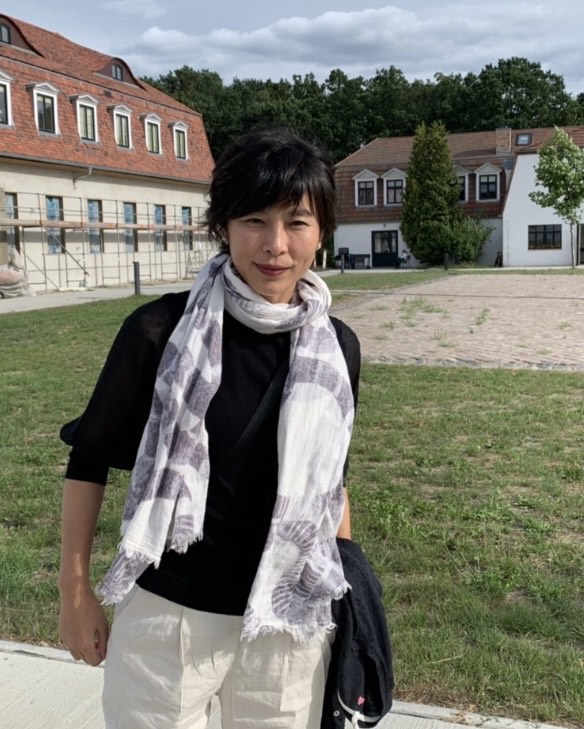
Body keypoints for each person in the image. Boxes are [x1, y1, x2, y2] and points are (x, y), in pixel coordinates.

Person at [58, 124, 361, 729]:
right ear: (222, 226)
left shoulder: (338, 348)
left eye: (297, 222)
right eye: (254, 220)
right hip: (170, 622)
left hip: (287, 627)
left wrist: (345, 590)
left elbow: (331, 483)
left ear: (322, 231)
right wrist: (75, 594)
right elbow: (88, 460)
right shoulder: (159, 331)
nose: (275, 244)